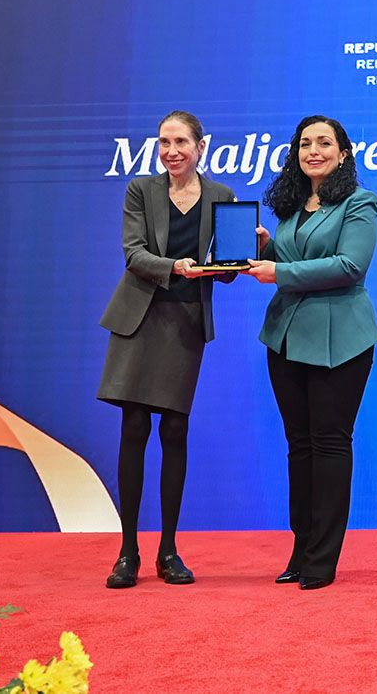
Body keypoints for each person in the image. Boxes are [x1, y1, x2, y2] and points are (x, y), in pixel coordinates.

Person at [97, 110, 236, 588]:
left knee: (174, 430)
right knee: (134, 426)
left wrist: (248, 250)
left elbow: (228, 268)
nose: (171, 151)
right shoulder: (141, 190)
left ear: (201, 146)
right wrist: (176, 266)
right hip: (139, 319)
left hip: (184, 323)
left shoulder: (221, 196)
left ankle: (169, 551)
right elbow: (133, 255)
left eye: (180, 142)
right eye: (163, 142)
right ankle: (128, 552)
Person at [243, 115, 377, 590]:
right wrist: (268, 251)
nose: (313, 151)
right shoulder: (291, 207)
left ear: (343, 153)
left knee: (329, 444)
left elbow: (349, 266)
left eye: (325, 143)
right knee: (299, 447)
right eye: (305, 144)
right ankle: (300, 551)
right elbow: (296, 263)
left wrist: (278, 273)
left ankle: (324, 557)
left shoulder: (360, 203)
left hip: (340, 341)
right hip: (284, 339)